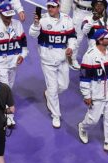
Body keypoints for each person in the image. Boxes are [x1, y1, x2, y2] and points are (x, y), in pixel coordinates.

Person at [29, 0, 77, 129]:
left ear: (59, 7)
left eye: (53, 7)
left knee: (64, 86)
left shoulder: (67, 20)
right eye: (48, 6)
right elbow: (32, 34)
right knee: (53, 89)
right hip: (48, 61)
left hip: (62, 60)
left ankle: (49, 94)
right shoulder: (42, 20)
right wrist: (35, 24)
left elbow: (72, 36)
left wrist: (71, 47)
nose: (50, 9)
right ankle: (56, 115)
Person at [0, 3, 28, 127]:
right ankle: (8, 117)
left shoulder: (18, 25)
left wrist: (22, 56)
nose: (9, 19)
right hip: (0, 66)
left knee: (8, 88)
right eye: (6, 16)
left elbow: (24, 46)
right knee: (6, 89)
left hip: (13, 64)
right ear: (0, 14)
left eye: (10, 16)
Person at [77, 29, 108, 156]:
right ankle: (83, 127)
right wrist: (86, 95)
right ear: (100, 40)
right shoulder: (89, 55)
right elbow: (84, 77)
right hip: (97, 94)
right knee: (93, 120)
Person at [60, 0, 94, 70]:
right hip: (80, 12)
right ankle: (71, 59)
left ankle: (94, 61)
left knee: (95, 38)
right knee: (78, 37)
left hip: (94, 12)